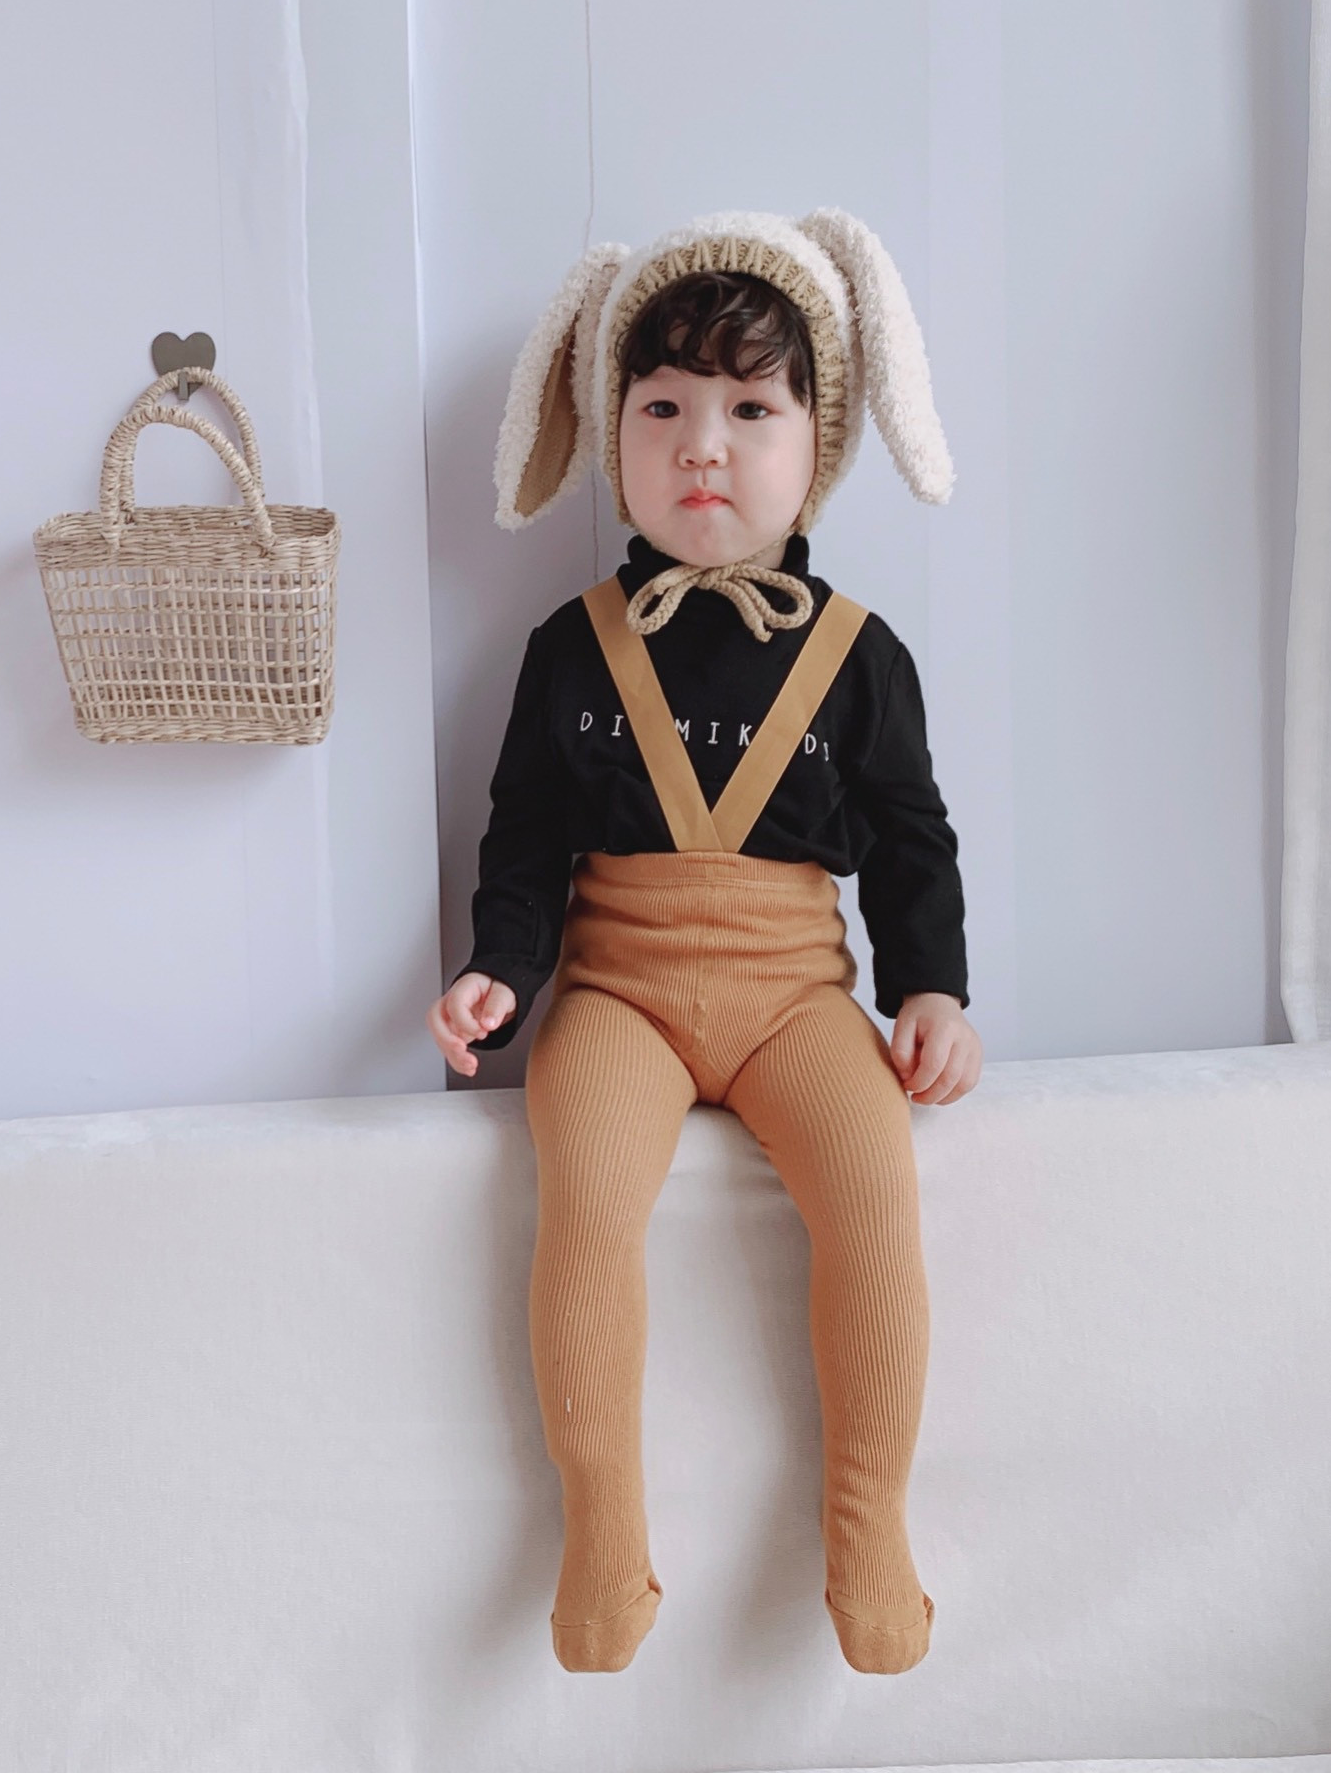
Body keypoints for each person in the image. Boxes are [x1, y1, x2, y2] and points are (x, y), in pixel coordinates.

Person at [424, 211, 984, 1676]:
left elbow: (913, 841)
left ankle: (868, 1530)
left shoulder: (861, 656)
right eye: (662, 410)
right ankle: (602, 1536)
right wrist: (499, 968)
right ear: (610, 437)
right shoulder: (570, 646)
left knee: (874, 1200)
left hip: (799, 1000)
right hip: (620, 996)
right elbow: (525, 840)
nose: (703, 449)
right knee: (586, 1208)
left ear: (823, 440)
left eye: (751, 411)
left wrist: (932, 989)